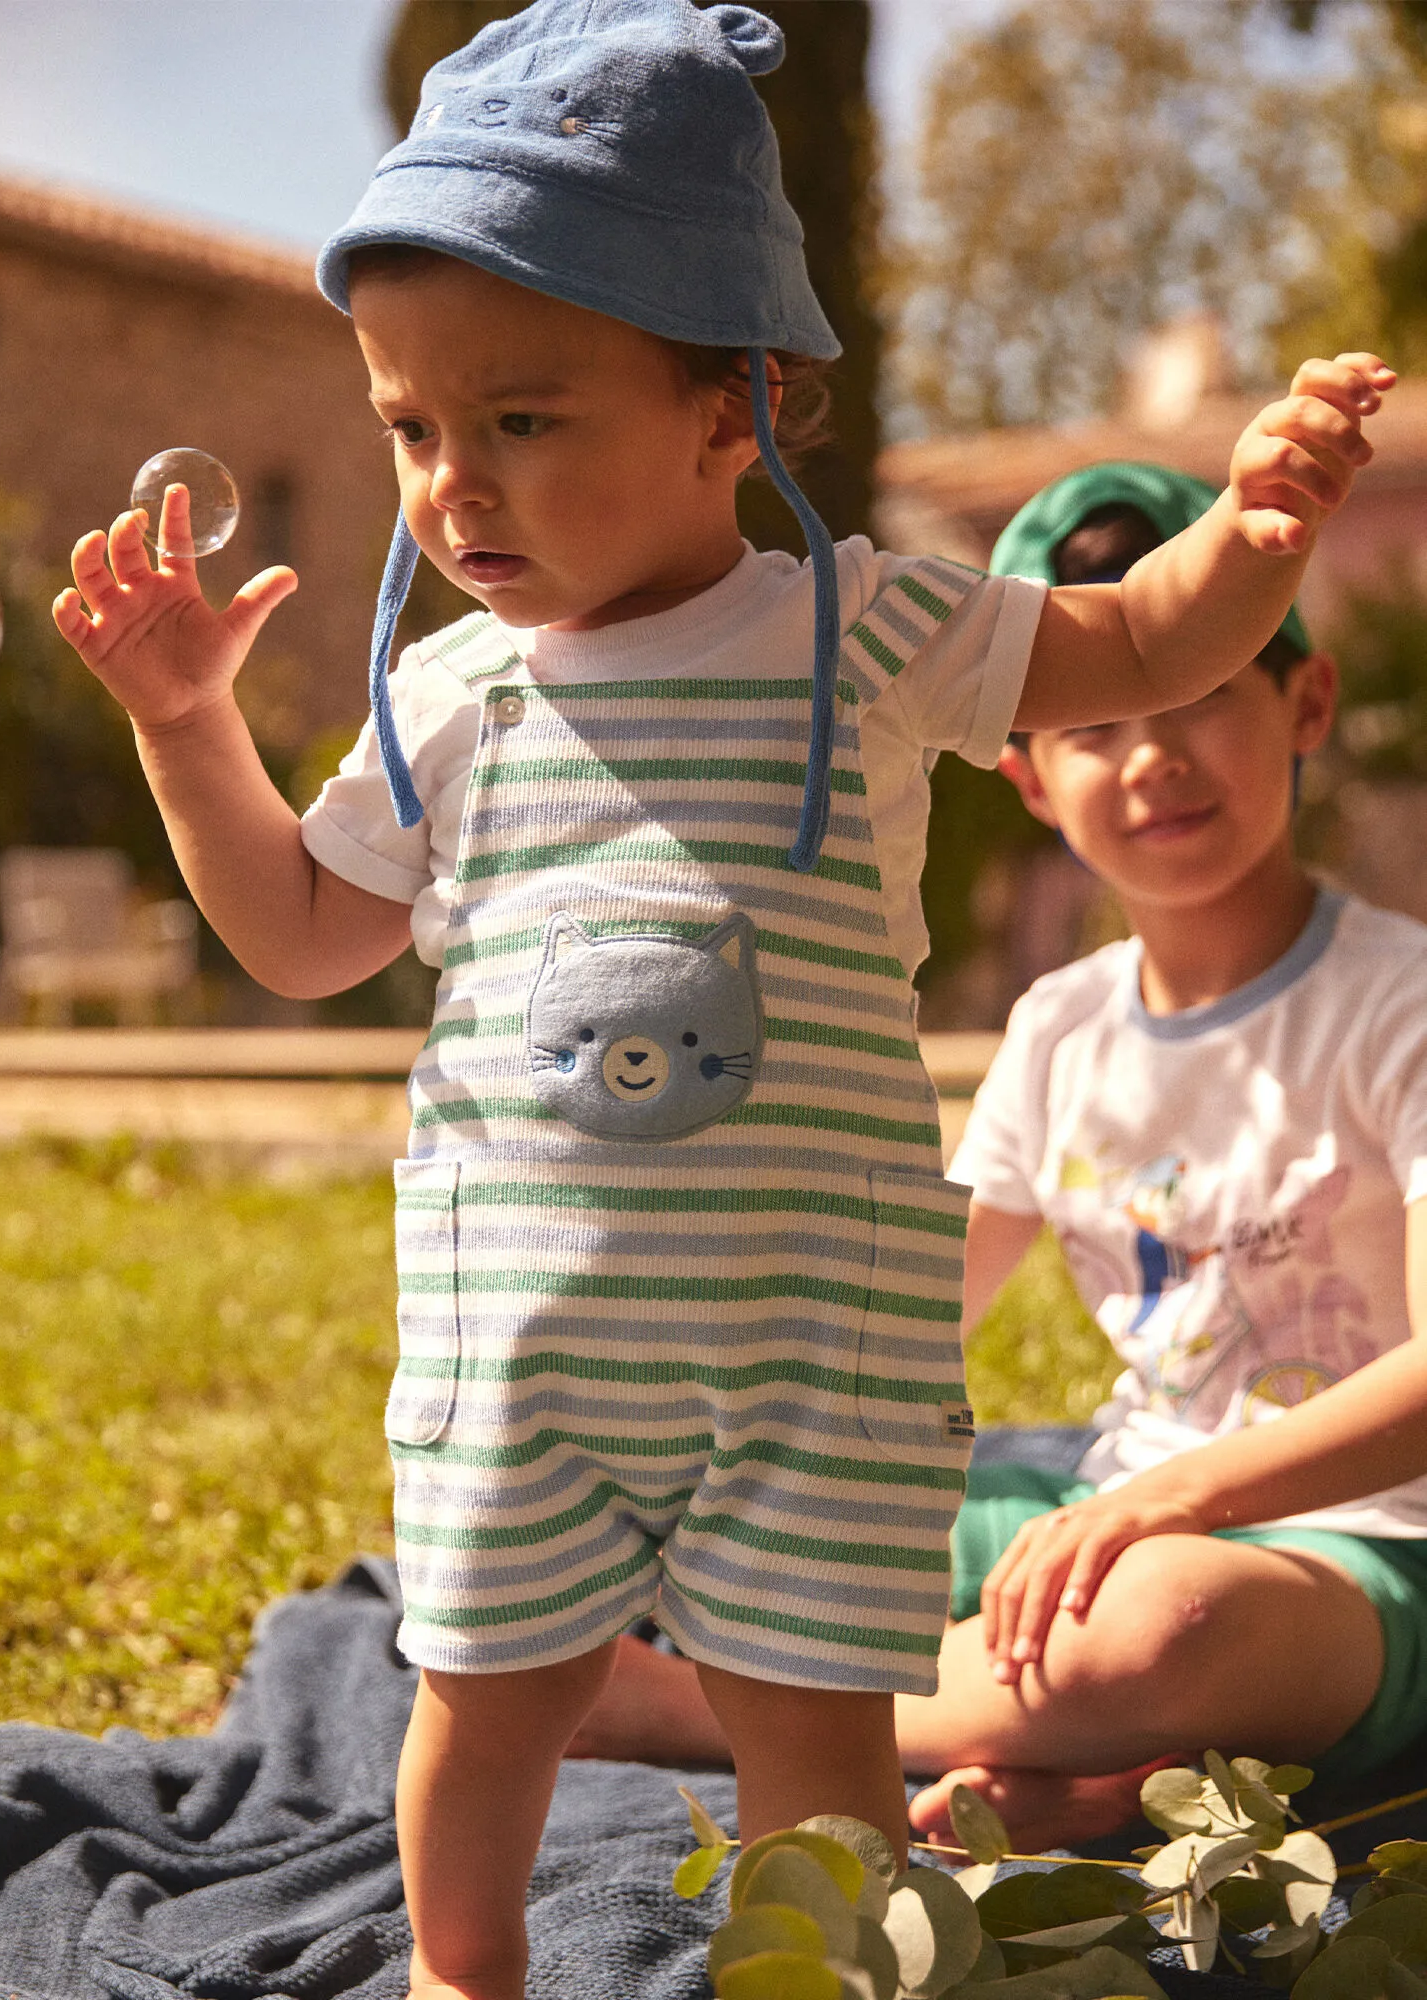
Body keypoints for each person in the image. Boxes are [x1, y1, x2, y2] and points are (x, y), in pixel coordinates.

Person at [49, 0, 1391, 1980]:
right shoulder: (451, 697)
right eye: (411, 428)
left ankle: (821, 1961)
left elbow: (1126, 639)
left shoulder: (868, 624)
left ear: (726, 404)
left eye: (519, 418)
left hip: (812, 1364)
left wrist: (1254, 536)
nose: (451, 486)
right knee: (484, 1707)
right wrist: (188, 728)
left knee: (816, 1744)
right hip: (530, 1347)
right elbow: (306, 936)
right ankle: (460, 1966)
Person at [567, 458, 1427, 1860]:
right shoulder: (1062, 1024)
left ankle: (700, 1712)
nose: (1154, 755)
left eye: (1208, 692)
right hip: (1113, 1503)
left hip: (1364, 1549)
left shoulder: (1401, 1002)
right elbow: (902, 1316)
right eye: (1103, 727)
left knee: (1162, 1626)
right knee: (747, 1510)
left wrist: (1176, 1500)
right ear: (1029, 775)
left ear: (1307, 705)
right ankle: (1096, 1776)